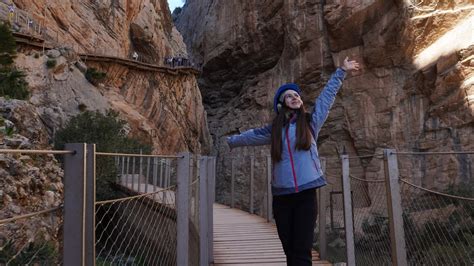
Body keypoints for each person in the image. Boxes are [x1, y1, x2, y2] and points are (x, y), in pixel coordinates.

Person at [227, 57, 360, 265]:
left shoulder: (310, 123)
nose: (295, 97)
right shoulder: (273, 131)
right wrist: (231, 141)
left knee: (302, 249)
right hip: (282, 197)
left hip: (306, 195)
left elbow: (326, 98)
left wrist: (341, 71)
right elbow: (250, 136)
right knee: (289, 248)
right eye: (289, 96)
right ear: (281, 104)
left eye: (296, 95)